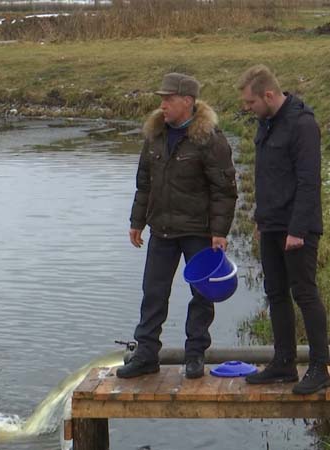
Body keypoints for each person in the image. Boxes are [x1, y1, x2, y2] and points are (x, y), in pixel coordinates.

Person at [117, 73, 237, 379]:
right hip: (161, 230)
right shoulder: (155, 134)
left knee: (202, 294)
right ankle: (146, 355)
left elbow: (224, 190)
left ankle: (195, 354)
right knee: (153, 292)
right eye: (161, 99)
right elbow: (144, 182)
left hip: (198, 231)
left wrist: (219, 232)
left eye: (168, 99)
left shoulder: (210, 139)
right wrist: (137, 221)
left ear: (188, 101)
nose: (163, 105)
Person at [237, 64, 330, 395]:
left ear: (268, 94)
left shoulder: (302, 125)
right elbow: (266, 175)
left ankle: (320, 369)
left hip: (297, 229)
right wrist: (262, 220)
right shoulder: (265, 123)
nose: (247, 109)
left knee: (304, 294)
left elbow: (309, 181)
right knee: (276, 294)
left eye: (250, 103)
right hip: (272, 223)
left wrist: (297, 230)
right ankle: (284, 364)